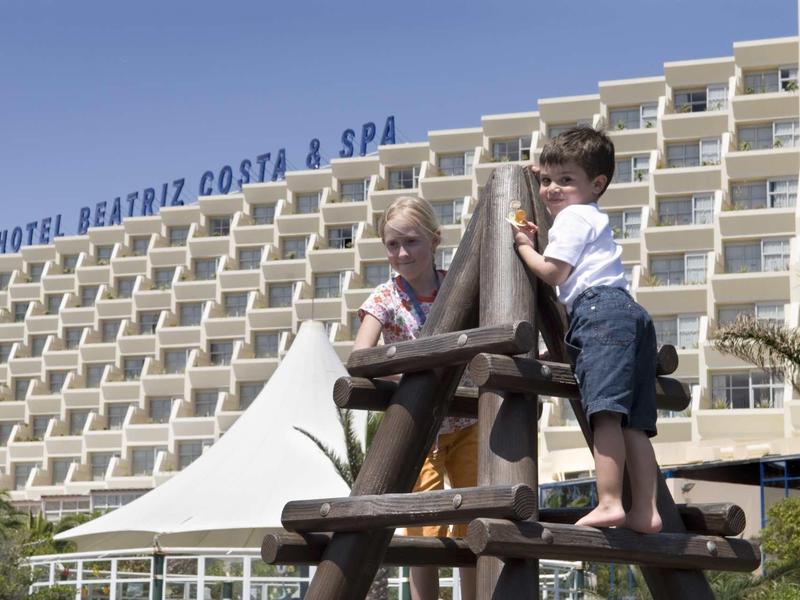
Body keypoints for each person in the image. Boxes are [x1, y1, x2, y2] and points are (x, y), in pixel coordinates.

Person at [512, 127, 662, 534]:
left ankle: (611, 501)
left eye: (565, 181)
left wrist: (525, 245)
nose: (552, 190)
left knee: (606, 415)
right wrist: (541, 171)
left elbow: (552, 271)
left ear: (597, 184)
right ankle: (646, 510)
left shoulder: (571, 218)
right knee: (634, 422)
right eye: (545, 181)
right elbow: (561, 179)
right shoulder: (591, 214)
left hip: (599, 312)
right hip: (630, 313)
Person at [354, 195, 477, 599]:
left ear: (435, 240)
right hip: (416, 426)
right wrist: (411, 370)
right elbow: (359, 357)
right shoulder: (385, 299)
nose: (402, 253)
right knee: (423, 523)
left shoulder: (456, 289)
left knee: (475, 514)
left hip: (465, 421)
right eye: (392, 245)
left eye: (411, 241)